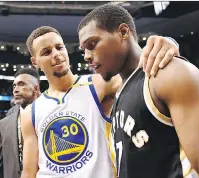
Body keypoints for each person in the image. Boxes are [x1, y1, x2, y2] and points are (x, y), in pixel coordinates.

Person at [20, 25, 179, 178]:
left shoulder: (99, 84)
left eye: (59, 47)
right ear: (35, 62)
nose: (55, 54)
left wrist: (167, 43)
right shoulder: (30, 113)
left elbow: (140, 67)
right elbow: (28, 173)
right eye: (46, 52)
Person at [78, 4, 199, 178]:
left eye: (92, 44)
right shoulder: (120, 91)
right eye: (83, 50)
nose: (86, 56)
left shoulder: (167, 74)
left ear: (123, 32)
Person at [0, 68, 41, 178]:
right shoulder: (4, 123)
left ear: (36, 89)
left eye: (21, 84)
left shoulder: (52, 113)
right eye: (14, 86)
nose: (15, 90)